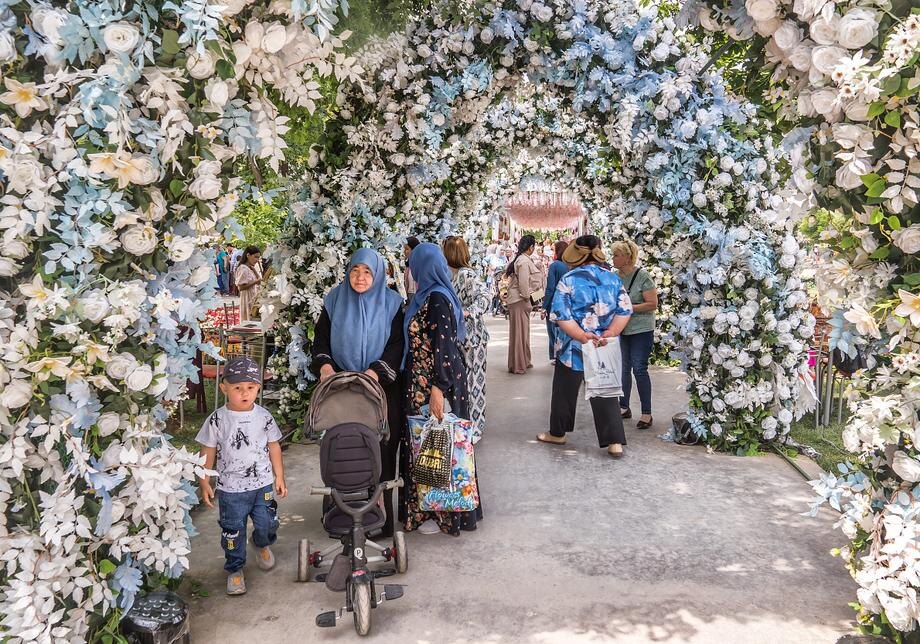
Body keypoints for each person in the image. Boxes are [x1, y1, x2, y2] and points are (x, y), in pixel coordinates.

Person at [311, 248, 405, 536]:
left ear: (378, 275)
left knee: (382, 452)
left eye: (367, 272)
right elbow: (321, 340)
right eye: (355, 270)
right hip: (343, 388)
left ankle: (381, 519)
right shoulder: (335, 301)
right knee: (343, 449)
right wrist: (325, 366)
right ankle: (340, 516)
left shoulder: (392, 304)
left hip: (382, 389)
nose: (360, 277)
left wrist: (376, 372)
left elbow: (397, 345)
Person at [402, 242, 481, 536]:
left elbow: (445, 347)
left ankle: (440, 513)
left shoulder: (436, 298)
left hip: (436, 381)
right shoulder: (429, 294)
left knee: (438, 446)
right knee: (432, 445)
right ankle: (434, 508)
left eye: (414, 263)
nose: (411, 269)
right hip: (428, 380)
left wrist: (438, 389)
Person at [196, 356, 287, 595]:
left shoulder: (264, 416)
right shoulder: (217, 419)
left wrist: (279, 476)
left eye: (251, 387)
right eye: (237, 388)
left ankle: (262, 543)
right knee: (232, 530)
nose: (244, 393)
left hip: (263, 484)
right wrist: (204, 480)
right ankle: (235, 569)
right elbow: (208, 450)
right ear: (224, 387)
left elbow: (274, 446)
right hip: (231, 489)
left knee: (267, 521)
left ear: (258, 387)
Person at [537, 235, 633, 457]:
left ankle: (558, 433)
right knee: (605, 389)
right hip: (603, 345)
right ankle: (615, 442)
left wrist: (581, 335)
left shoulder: (569, 280)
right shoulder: (612, 279)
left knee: (564, 391)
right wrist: (610, 332)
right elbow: (625, 310)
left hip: (573, 346)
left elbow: (561, 315)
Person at [442, 236, 490, 443]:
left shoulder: (466, 275)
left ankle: (475, 429)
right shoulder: (453, 275)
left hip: (473, 339)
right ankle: (466, 425)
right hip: (463, 339)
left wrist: (466, 312)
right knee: (465, 383)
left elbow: (485, 297)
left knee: (474, 385)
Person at [611, 240, 658, 429]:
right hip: (622, 329)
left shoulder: (643, 276)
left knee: (639, 368)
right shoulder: (614, 277)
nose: (613, 258)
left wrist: (628, 307)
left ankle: (647, 413)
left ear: (627, 257)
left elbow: (652, 303)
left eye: (616, 255)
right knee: (623, 368)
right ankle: (624, 406)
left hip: (641, 329)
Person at [505, 235, 544, 374]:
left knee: (521, 332)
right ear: (531, 247)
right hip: (520, 300)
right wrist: (529, 298)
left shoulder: (522, 259)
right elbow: (523, 284)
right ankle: (519, 364)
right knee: (520, 333)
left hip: (519, 300)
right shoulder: (523, 261)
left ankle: (522, 361)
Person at [543, 240, 570, 363]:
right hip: (568, 302)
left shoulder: (555, 265)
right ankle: (564, 353)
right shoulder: (570, 266)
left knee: (553, 330)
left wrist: (544, 306)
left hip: (555, 302)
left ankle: (556, 355)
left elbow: (550, 288)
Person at [235, 246, 263, 322]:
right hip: (247, 298)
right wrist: (254, 282)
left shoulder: (250, 268)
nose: (257, 260)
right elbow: (240, 287)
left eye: (258, 258)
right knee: (248, 320)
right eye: (255, 257)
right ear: (248, 255)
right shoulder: (243, 268)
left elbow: (260, 281)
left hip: (253, 297)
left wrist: (254, 270)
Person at [403, 236, 420, 301]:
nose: (404, 252)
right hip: (409, 297)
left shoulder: (422, 265)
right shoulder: (408, 266)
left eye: (407, 249)